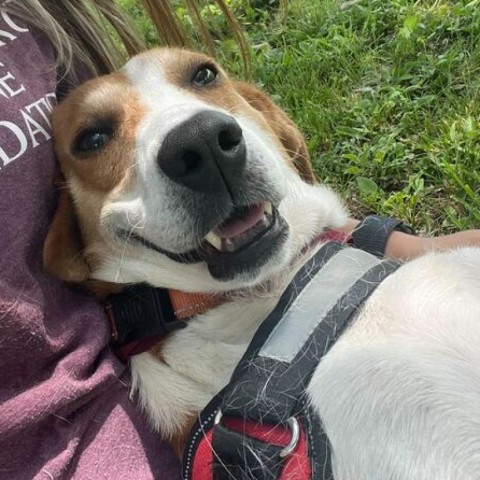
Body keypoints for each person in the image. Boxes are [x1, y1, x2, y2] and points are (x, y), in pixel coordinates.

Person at [0, 1, 479, 479]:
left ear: (270, 123)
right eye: (97, 137)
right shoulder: (323, 405)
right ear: (70, 250)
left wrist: (369, 238)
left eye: (203, 78)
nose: (195, 136)